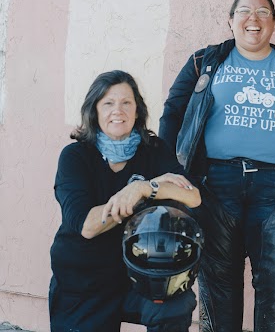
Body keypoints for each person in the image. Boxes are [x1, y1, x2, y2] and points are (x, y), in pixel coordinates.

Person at [159, 0, 275, 332]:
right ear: (230, 20)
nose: (253, 19)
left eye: (263, 12)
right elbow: (172, 114)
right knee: (218, 290)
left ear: (274, 23)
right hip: (214, 186)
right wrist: (172, 174)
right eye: (244, 12)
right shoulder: (204, 63)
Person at [49, 70, 202, 332]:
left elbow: (193, 196)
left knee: (176, 304)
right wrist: (129, 195)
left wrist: (145, 188)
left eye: (126, 103)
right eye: (108, 103)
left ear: (137, 110)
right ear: (94, 110)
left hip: (141, 277)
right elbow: (86, 225)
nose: (117, 111)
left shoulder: (153, 150)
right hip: (84, 281)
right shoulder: (75, 157)